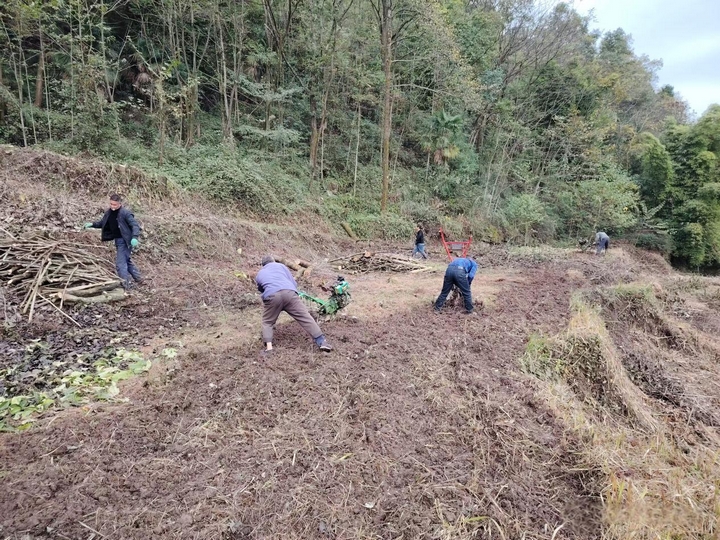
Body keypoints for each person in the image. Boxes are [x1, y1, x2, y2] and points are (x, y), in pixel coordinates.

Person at [255, 255, 333, 355]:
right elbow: (293, 282)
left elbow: (261, 289)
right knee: (305, 317)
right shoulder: (282, 266)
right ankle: (322, 342)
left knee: (268, 322)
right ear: (273, 261)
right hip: (289, 293)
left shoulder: (260, 273)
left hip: (272, 296)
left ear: (263, 265)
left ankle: (269, 349)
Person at [83, 194, 142, 289]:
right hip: (118, 240)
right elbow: (103, 223)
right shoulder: (109, 213)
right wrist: (92, 224)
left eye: (115, 205)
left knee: (120, 263)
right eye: (111, 204)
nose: (112, 206)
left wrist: (134, 237)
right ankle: (139, 278)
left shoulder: (125, 213)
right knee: (126, 260)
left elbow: (135, 225)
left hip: (126, 241)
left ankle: (126, 285)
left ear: (120, 204)